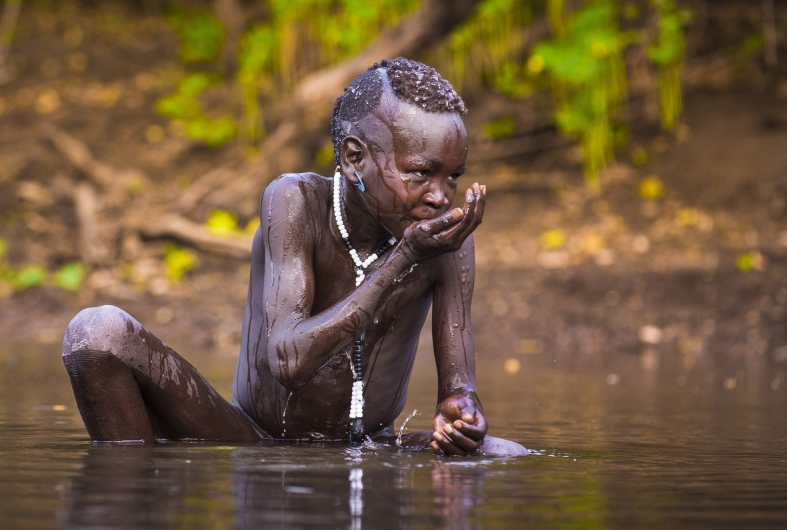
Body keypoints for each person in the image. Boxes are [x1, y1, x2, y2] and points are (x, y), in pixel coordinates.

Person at [62, 57, 527, 456]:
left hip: (370, 446)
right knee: (95, 333)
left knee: (503, 453)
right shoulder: (295, 202)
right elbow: (289, 361)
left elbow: (460, 388)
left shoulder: (448, 241)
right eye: (421, 173)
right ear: (353, 157)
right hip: (249, 436)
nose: (442, 197)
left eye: (453, 177)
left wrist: (461, 413)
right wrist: (403, 258)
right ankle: (130, 493)